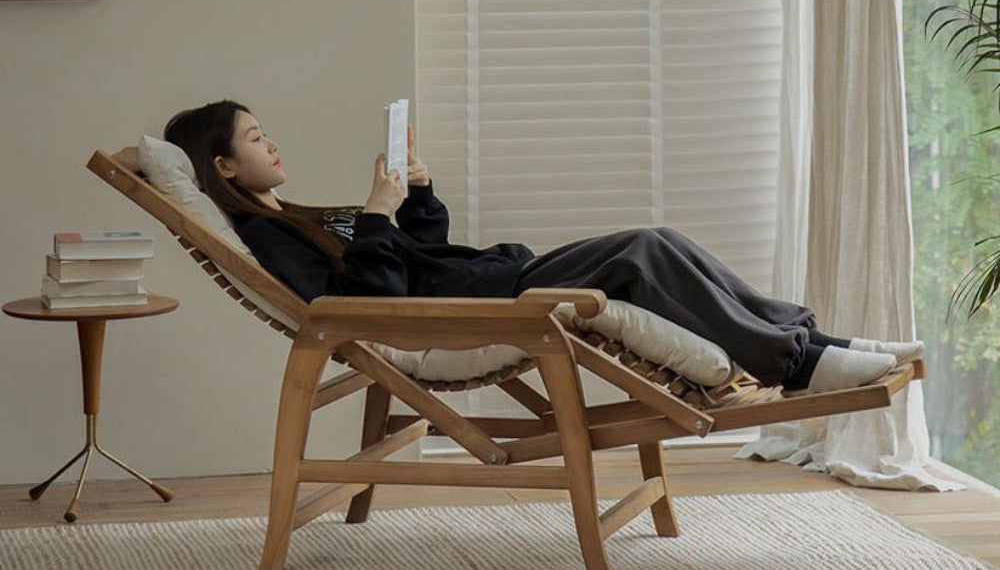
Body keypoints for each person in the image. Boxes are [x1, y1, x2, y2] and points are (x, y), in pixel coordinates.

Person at [156, 99, 922, 395]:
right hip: (479, 310)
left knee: (656, 242)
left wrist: (414, 196)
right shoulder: (265, 234)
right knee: (643, 250)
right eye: (257, 138)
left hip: (488, 283)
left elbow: (425, 254)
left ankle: (810, 342)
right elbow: (360, 306)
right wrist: (378, 217)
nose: (274, 142)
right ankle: (796, 363)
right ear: (222, 166)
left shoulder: (297, 212)